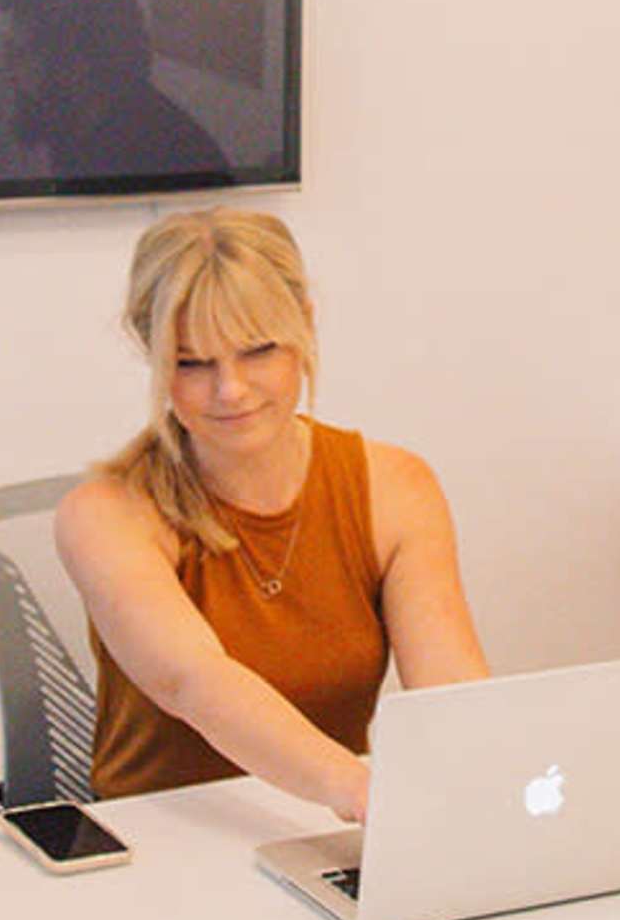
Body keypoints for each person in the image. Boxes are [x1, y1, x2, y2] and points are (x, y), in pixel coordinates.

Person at [55, 207, 489, 814]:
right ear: (148, 353)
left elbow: (451, 696)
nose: (230, 389)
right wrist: (365, 794)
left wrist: (494, 789)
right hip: (166, 842)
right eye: (192, 363)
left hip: (334, 828)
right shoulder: (104, 515)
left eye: (258, 351)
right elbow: (195, 681)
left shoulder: (396, 488)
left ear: (304, 327)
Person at [0, 0, 232, 185]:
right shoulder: (76, 122)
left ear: (75, 62)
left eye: (20, 52)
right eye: (7, 49)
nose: (7, 65)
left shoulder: (160, 157)